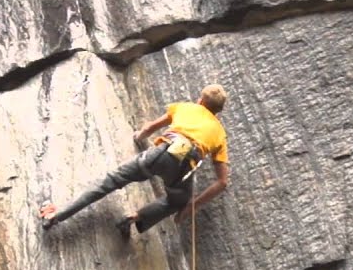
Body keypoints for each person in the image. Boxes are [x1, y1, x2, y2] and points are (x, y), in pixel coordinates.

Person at [39, 85, 231, 237]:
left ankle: (56, 215)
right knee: (176, 202)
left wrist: (139, 137)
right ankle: (134, 218)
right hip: (182, 169)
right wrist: (192, 206)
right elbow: (222, 182)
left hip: (159, 153)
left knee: (111, 181)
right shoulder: (219, 133)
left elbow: (150, 127)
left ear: (201, 100)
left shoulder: (186, 108)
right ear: (218, 111)